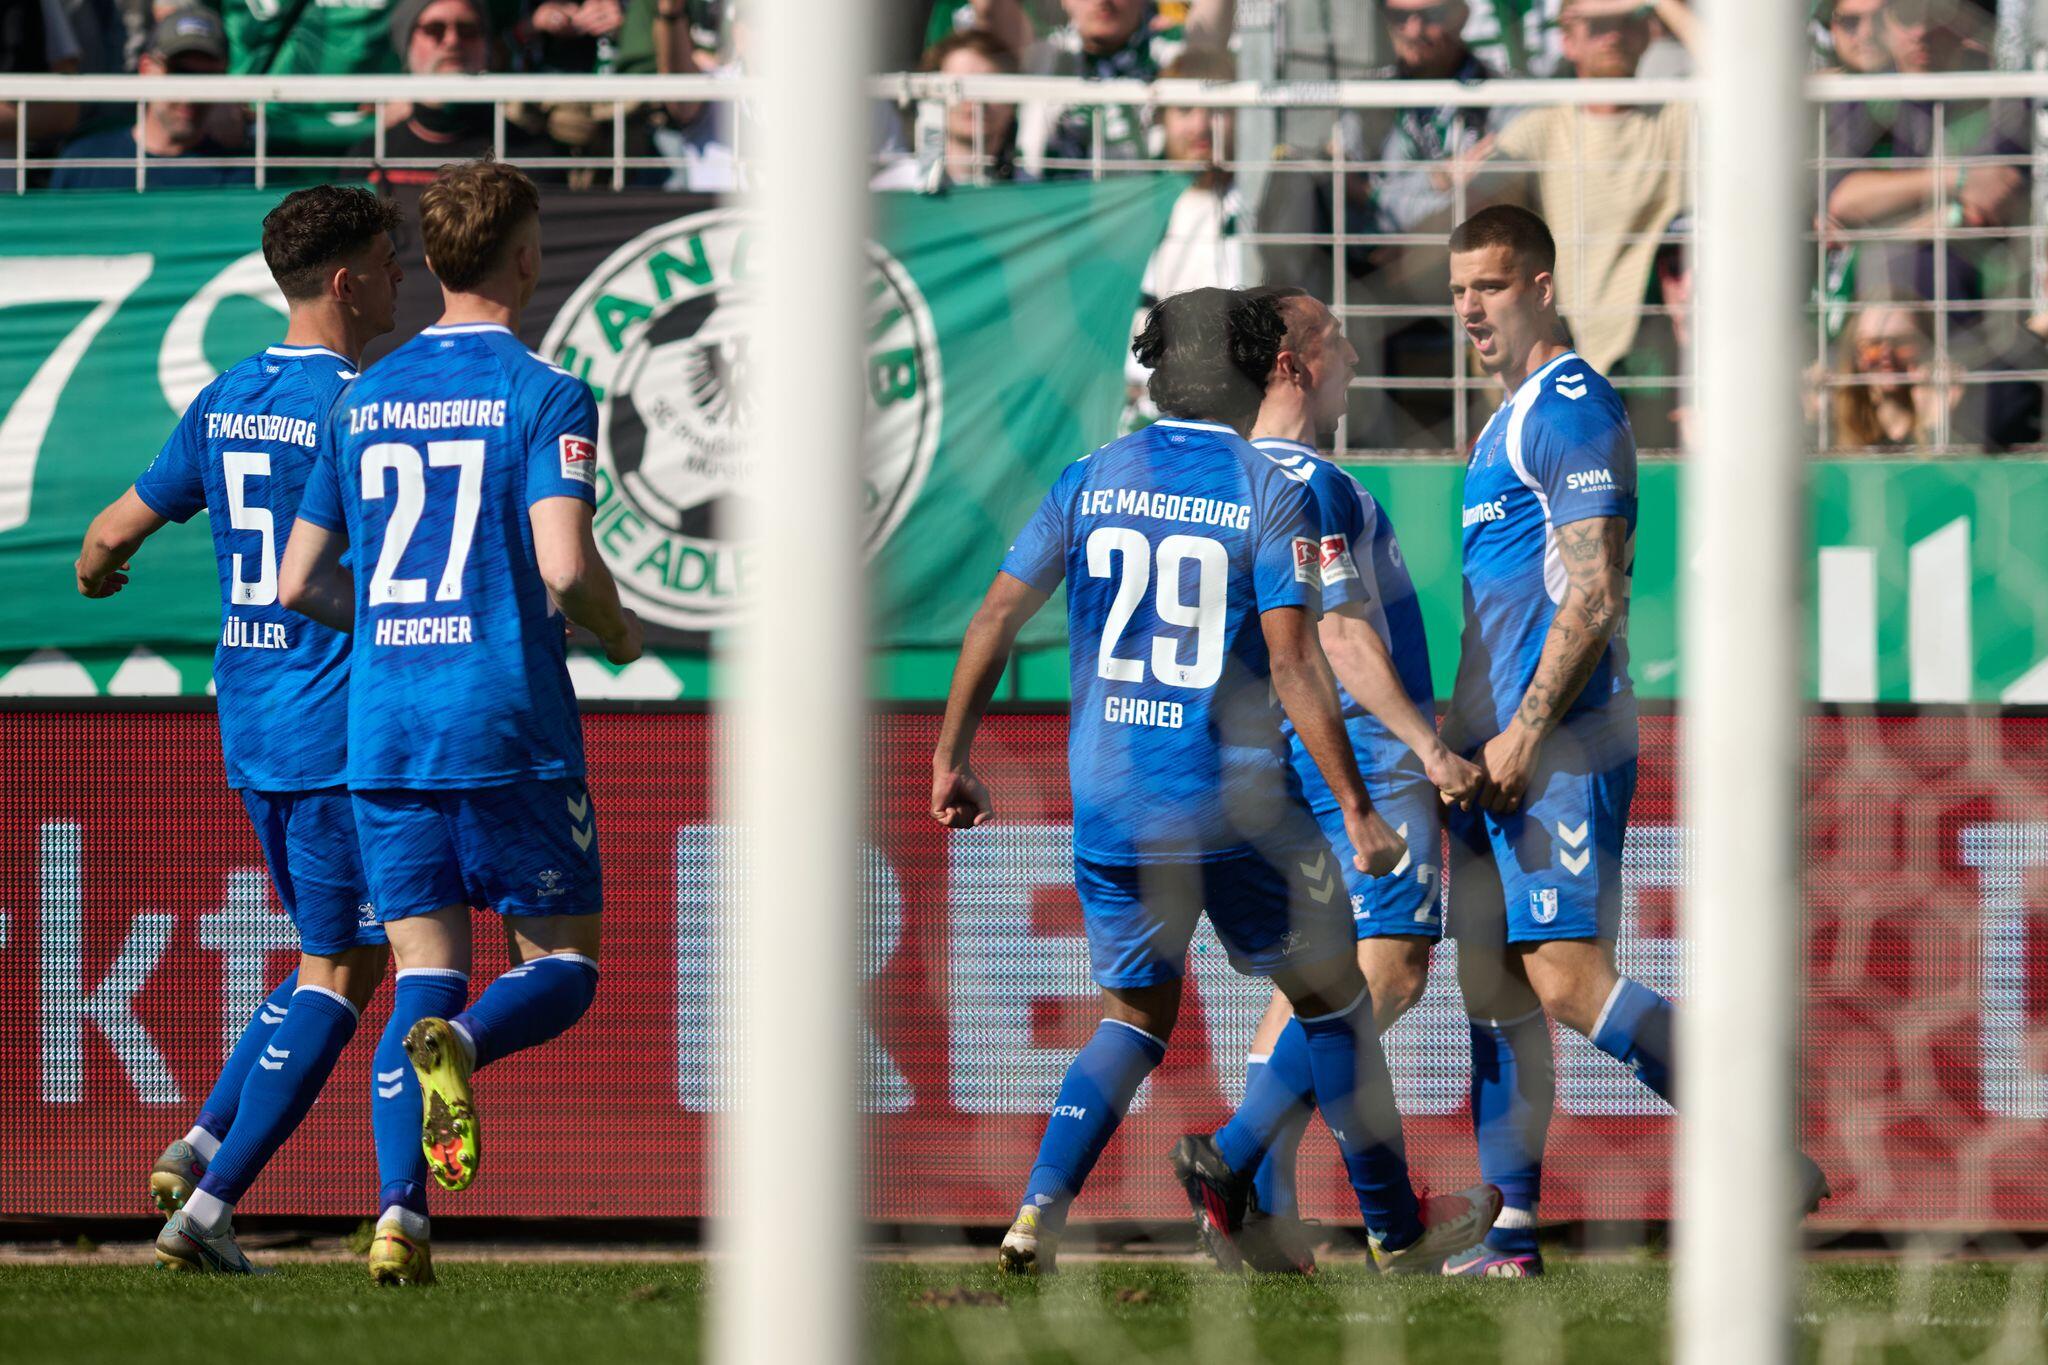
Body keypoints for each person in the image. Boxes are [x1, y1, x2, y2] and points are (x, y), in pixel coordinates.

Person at [930, 286, 1499, 1276]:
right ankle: (1393, 1228)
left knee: (1132, 1020)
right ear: (1250, 371)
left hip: (1109, 802)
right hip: (1230, 805)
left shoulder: (1089, 477)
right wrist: (1357, 808)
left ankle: (1035, 1214)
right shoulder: (1266, 488)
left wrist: (952, 756)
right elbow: (1296, 661)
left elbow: (994, 618)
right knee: (1333, 997)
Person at [1438, 205, 1828, 1277]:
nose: (1470, 307)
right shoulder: (1502, 422)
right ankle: (1509, 1234)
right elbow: (1501, 606)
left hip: (1561, 744)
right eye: (1458, 288)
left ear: (1542, 286)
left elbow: (1596, 589)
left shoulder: (1571, 405)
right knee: (1496, 987)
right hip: (1492, 751)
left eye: (1490, 284)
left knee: (1565, 977)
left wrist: (1523, 733)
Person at [279, 159, 643, 1285]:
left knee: (421, 974)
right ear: (526, 259)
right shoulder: (546, 392)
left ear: (430, 261)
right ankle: (469, 1046)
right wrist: (618, 632)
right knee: (564, 963)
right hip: (502, 720)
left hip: (381, 727)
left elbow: (300, 582)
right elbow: (564, 566)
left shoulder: (361, 396)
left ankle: (401, 1219)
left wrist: (395, 624)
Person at [73, 185, 405, 1273]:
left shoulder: (227, 396)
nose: (401, 277)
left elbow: (106, 537)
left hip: (254, 718)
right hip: (337, 726)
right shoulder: (363, 405)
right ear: (346, 280)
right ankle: (210, 1209)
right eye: (388, 260)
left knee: (334, 956)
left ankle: (202, 1144)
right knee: (345, 973)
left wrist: (100, 575)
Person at [1196, 285, 1483, 1275]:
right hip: (1357, 750)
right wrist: (1427, 747)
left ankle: (1262, 1215)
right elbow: (1343, 636)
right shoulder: (1309, 481)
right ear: (1291, 364)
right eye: (1334, 340)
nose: (1353, 355)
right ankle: (1232, 1159)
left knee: (1310, 979)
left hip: (1265, 760)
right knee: (1389, 966)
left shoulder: (1225, 479)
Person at [1457, 0, 1698, 376]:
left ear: (1645, 33)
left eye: (1626, 21)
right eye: (1597, 26)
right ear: (1568, 41)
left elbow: (1746, 81)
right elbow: (1478, 203)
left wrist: (1662, 2)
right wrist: (1451, 181)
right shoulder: (1545, 126)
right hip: (1568, 348)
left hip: (1659, 347)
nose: (1613, 35)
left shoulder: (1674, 118)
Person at [352, 0, 557, 190]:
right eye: (435, 29)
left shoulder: (532, 156)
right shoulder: (369, 156)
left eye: (468, 30)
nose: (452, 41)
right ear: (407, 45)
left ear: (486, 47)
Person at [50, 9, 252, 190]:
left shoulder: (243, 176)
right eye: (179, 72)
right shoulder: (83, 161)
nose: (191, 93)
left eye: (207, 77)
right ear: (146, 68)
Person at [871, 28, 1025, 191]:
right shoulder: (893, 189)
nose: (977, 102)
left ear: (1012, 104)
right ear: (932, 99)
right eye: (959, 88)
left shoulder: (1033, 189)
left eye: (989, 88)